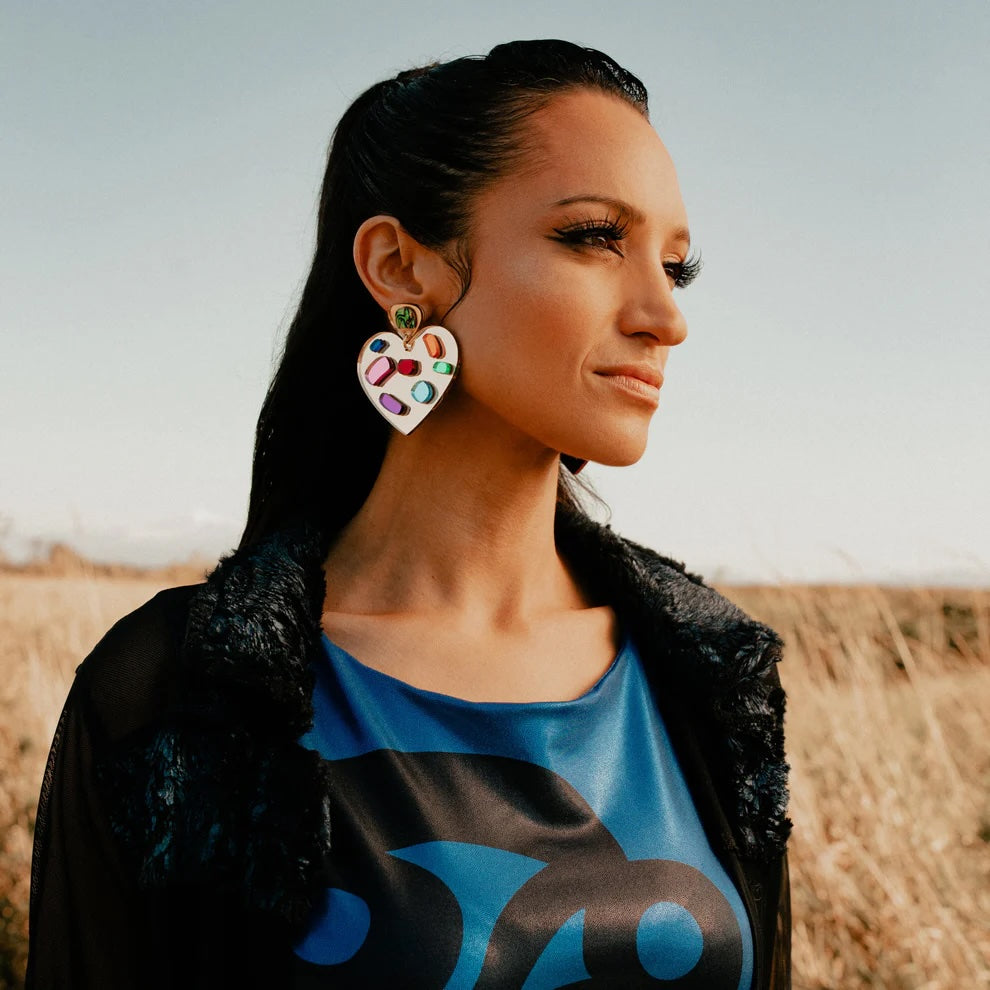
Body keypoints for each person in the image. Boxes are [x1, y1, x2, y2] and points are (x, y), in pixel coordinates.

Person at [26, 39, 791, 989]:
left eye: (677, 266)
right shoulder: (172, 697)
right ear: (399, 265)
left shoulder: (711, 683)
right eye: (595, 237)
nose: (664, 315)